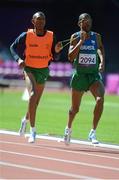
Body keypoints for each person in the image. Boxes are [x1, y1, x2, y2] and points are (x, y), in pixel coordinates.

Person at [10, 11, 62, 143]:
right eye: (38, 19)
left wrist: (57, 52)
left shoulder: (51, 36)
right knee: (32, 95)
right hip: (29, 69)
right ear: (33, 21)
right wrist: (18, 60)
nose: (41, 22)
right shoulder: (26, 35)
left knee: (35, 103)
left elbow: (55, 57)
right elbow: (12, 47)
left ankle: (25, 120)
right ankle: (33, 131)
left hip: (43, 71)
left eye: (43, 20)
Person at [64, 13, 105, 145]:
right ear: (79, 23)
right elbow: (70, 57)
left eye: (89, 20)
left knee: (100, 99)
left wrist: (102, 61)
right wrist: (81, 41)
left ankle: (92, 132)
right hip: (80, 75)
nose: (87, 22)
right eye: (84, 21)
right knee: (74, 109)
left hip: (93, 75)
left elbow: (100, 49)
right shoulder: (75, 37)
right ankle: (68, 128)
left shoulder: (97, 36)